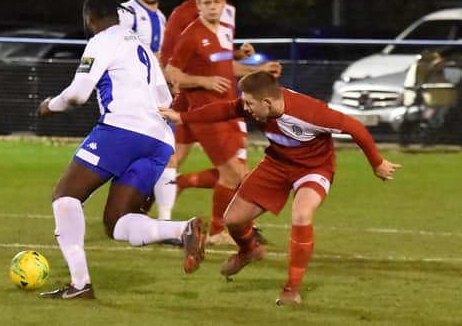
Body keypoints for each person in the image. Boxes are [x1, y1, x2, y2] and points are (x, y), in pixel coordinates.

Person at [160, 70, 401, 305]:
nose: (245, 107)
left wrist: (377, 163)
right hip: (276, 164)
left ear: (267, 102)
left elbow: (355, 127)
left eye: (250, 103)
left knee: (302, 213)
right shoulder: (256, 107)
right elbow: (225, 109)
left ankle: (292, 290)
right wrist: (183, 118)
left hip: (314, 168)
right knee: (232, 220)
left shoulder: (310, 112)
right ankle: (248, 250)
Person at [36, 0, 207, 300]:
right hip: (159, 139)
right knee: (117, 222)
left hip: (122, 130)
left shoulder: (101, 41)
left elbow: (77, 94)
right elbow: (165, 100)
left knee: (65, 196)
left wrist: (50, 105)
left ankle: (80, 284)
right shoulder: (140, 47)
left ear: (89, 18)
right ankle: (182, 229)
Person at [165, 0, 282, 245]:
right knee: (234, 174)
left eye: (217, 2)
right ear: (199, 6)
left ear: (223, 4)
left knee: (240, 173)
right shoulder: (191, 34)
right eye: (207, 3)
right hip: (206, 114)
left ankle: (191, 188)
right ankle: (220, 231)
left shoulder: (226, 30)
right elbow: (172, 74)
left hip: (231, 110)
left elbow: (226, 66)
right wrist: (203, 82)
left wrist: (258, 70)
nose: (213, 7)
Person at [159, 0, 256, 229]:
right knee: (176, 158)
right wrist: (198, 83)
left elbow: (219, 57)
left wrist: (243, 60)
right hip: (195, 103)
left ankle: (179, 189)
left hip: (225, 102)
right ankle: (164, 215)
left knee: (234, 169)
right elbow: (172, 62)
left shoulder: (227, 16)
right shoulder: (184, 18)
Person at [117, 0, 176, 220]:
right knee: (131, 154)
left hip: (157, 97)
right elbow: (115, 45)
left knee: (166, 152)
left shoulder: (162, 17)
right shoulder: (127, 12)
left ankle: (164, 218)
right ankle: (123, 209)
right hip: (133, 96)